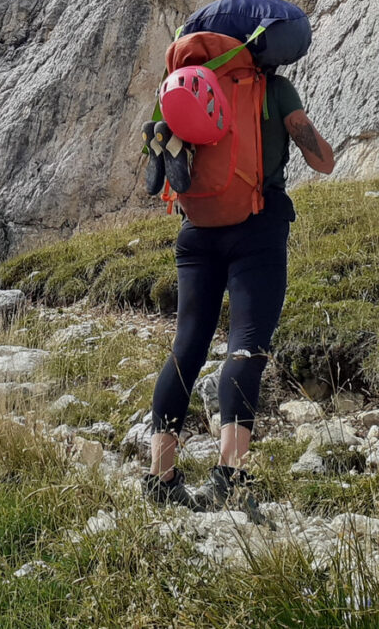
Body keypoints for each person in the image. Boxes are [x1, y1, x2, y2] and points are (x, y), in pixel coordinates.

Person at [141, 70, 335, 511]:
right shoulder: (274, 88)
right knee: (245, 347)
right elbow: (322, 161)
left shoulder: (191, 82)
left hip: (196, 229)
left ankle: (160, 478)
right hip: (257, 228)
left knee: (186, 348)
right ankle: (231, 475)